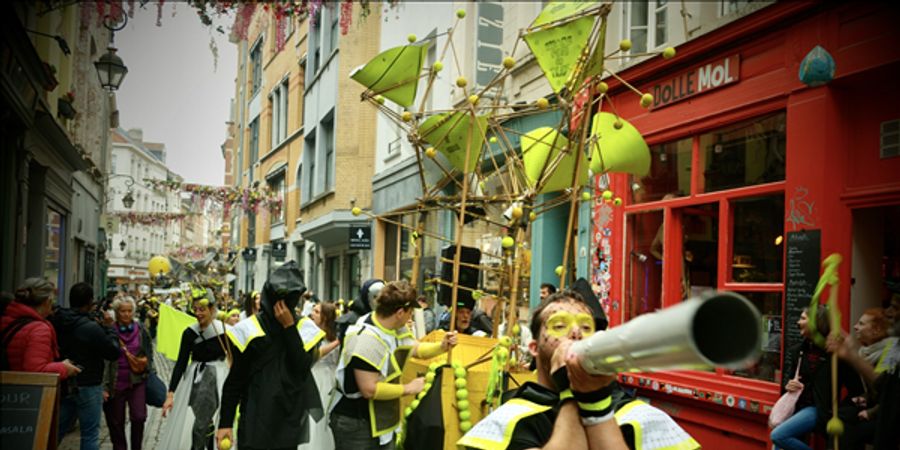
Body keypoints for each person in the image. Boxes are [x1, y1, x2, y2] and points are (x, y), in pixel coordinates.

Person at [459, 290, 698, 450]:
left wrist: (592, 397)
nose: (576, 333)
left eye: (586, 326)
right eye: (560, 325)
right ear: (533, 348)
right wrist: (573, 390)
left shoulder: (638, 415)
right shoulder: (509, 421)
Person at [330, 280, 458, 450]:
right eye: (410, 312)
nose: (410, 316)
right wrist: (409, 388)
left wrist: (441, 347)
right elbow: (369, 389)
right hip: (356, 422)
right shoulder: (366, 339)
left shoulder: (395, 327)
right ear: (399, 312)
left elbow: (414, 348)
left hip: (381, 420)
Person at [217, 261, 324, 450]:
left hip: (288, 418)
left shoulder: (304, 329)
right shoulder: (249, 329)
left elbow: (302, 368)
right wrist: (225, 422)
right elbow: (235, 379)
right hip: (254, 416)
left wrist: (289, 328)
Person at [770, 306, 864, 450]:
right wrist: (789, 385)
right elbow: (788, 382)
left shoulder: (836, 354)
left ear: (816, 322)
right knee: (778, 444)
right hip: (797, 407)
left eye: (803, 318)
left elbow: (857, 389)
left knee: (778, 436)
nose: (798, 322)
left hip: (818, 411)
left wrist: (837, 412)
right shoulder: (798, 351)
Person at [160, 288, 233, 450]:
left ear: (212, 309)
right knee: (203, 419)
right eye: (196, 309)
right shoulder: (189, 333)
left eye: (202, 309)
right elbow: (181, 363)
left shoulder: (224, 331)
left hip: (219, 376)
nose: (198, 313)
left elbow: (234, 357)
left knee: (209, 419)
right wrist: (171, 393)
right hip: (196, 378)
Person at [54, 282, 121, 450]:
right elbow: (113, 352)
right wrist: (110, 328)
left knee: (56, 431)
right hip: (88, 384)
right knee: (90, 434)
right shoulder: (91, 328)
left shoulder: (58, 321)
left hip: (64, 382)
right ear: (90, 302)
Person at [102, 296, 155, 450]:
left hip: (137, 380)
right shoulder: (110, 331)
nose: (126, 314)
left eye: (129, 311)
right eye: (122, 311)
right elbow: (105, 360)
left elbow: (149, 351)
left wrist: (150, 371)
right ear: (116, 313)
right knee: (116, 421)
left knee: (139, 417)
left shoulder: (141, 330)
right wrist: (104, 386)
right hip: (116, 382)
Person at [1, 278, 80, 379]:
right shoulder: (39, 329)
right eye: (52, 302)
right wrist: (64, 368)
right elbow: (36, 371)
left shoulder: (6, 319)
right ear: (47, 302)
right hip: (25, 391)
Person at [300, 301, 341, 450]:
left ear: (326, 317)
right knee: (313, 417)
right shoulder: (309, 333)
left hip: (331, 379)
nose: (312, 314)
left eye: (317, 312)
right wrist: (336, 343)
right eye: (313, 311)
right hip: (314, 377)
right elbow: (312, 357)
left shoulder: (335, 335)